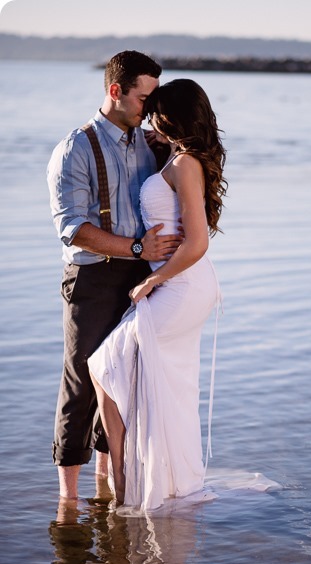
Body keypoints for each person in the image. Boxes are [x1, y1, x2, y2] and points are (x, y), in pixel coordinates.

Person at [47, 51, 183, 503]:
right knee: (83, 381)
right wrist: (137, 248)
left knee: (126, 377)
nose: (151, 106)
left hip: (142, 278)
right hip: (92, 279)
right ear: (115, 91)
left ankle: (109, 480)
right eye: (144, 97)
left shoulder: (153, 143)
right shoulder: (76, 147)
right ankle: (68, 501)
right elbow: (74, 229)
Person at [87, 78, 227, 511]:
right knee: (154, 382)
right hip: (182, 285)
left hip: (179, 286)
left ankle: (130, 483)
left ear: (173, 117)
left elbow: (198, 242)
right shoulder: (180, 158)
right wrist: (157, 143)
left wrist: (152, 280)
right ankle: (153, 479)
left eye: (156, 111)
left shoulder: (185, 165)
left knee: (103, 364)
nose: (149, 117)